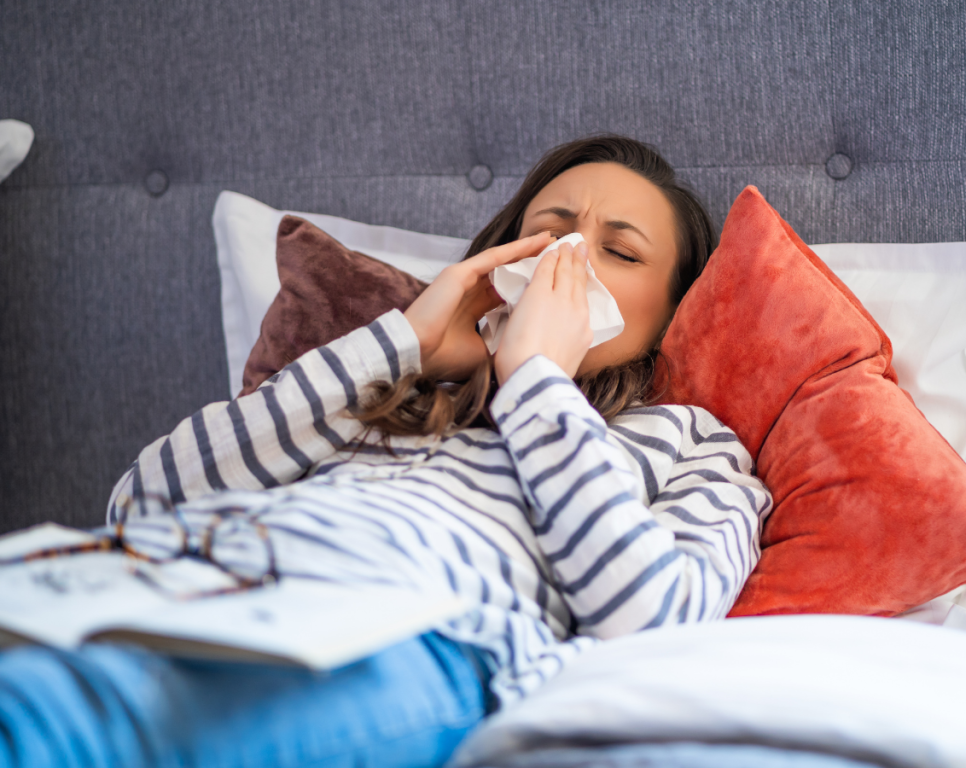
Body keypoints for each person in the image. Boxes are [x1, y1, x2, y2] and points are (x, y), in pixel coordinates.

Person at [0, 135, 771, 768]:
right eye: (548, 231)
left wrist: (538, 379)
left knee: (55, 724)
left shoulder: (693, 446)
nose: (566, 257)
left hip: (395, 628)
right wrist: (406, 342)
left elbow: (655, 623)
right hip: (175, 576)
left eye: (621, 252)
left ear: (672, 310)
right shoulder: (388, 393)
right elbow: (142, 501)